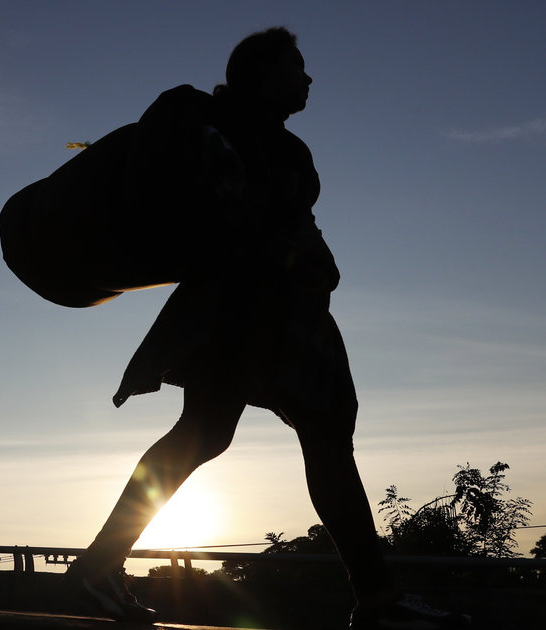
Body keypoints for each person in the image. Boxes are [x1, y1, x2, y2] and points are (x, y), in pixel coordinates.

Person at [59, 28, 471, 630]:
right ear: (260, 73)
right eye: (296, 66)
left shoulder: (288, 150)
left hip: (272, 310)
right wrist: (288, 252)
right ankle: (379, 600)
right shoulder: (207, 124)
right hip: (248, 309)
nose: (308, 78)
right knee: (302, 434)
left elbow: (293, 222)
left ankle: (97, 567)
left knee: (213, 434)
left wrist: (309, 254)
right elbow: (227, 217)